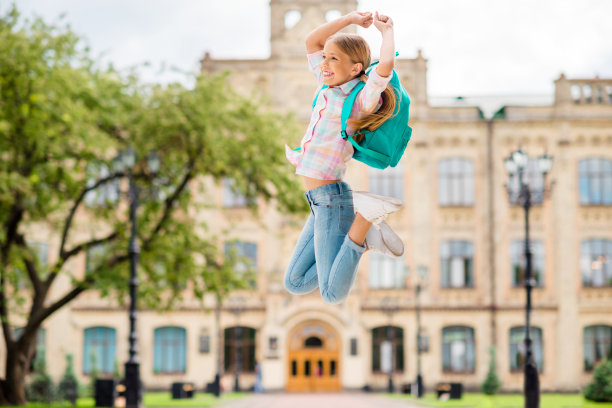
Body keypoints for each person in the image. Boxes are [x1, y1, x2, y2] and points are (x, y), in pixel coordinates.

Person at [284, 11, 405, 305]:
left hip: (332, 199)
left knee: (332, 294)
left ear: (355, 69)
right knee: (295, 283)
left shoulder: (360, 99)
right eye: (325, 57)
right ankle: (360, 240)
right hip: (318, 203)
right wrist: (349, 19)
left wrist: (386, 33)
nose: (324, 63)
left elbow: (385, 68)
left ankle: (363, 221)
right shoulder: (327, 88)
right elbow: (312, 40)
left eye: (334, 59)